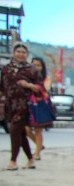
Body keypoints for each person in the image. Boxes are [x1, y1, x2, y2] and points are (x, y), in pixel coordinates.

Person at [0, 43, 39, 171]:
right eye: (19, 51)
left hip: (25, 105)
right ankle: (30, 160)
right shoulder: (6, 68)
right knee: (21, 133)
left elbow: (40, 89)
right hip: (10, 104)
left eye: (23, 52)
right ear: (14, 53)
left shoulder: (31, 69)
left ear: (27, 55)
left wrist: (28, 85)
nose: (21, 54)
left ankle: (13, 161)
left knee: (14, 130)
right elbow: (2, 87)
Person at [26, 56, 52, 161]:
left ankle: (37, 153)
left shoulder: (46, 78)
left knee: (38, 130)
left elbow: (44, 90)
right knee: (26, 129)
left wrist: (31, 86)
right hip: (29, 104)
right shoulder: (27, 77)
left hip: (41, 105)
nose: (36, 67)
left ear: (42, 67)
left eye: (38, 65)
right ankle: (39, 145)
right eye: (34, 65)